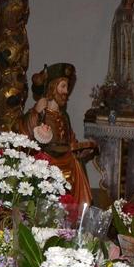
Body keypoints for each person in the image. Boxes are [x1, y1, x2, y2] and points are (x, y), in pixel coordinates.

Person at [18, 63, 96, 204]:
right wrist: (36, 112)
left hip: (66, 159)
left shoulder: (64, 116)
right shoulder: (39, 112)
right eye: (63, 86)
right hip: (47, 161)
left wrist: (80, 150)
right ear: (53, 87)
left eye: (67, 87)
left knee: (76, 164)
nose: (66, 91)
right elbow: (25, 136)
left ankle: (77, 215)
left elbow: (70, 141)